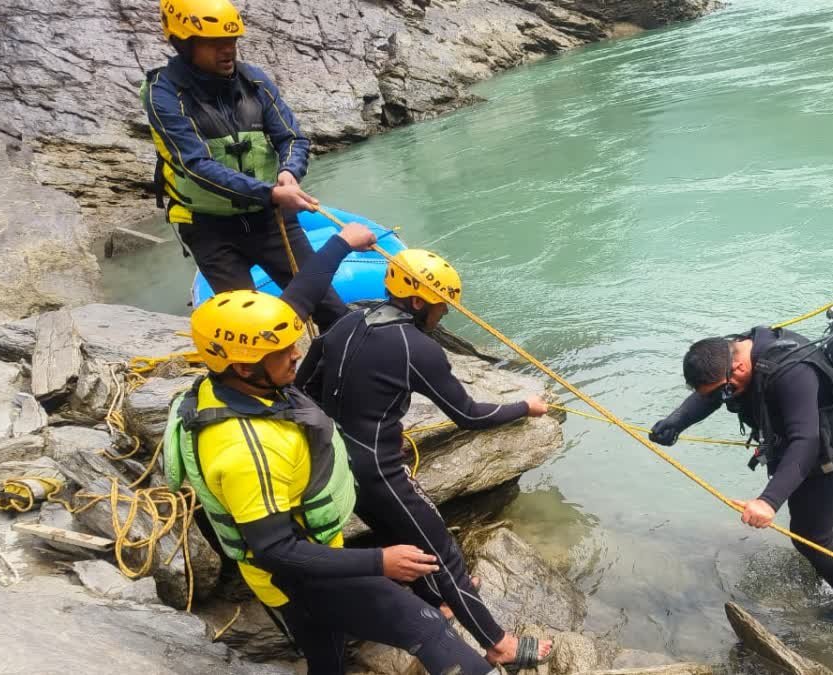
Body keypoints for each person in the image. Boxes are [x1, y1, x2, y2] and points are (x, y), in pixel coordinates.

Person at [164, 225, 496, 675]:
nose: (297, 355)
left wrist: (342, 243)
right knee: (428, 629)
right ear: (244, 364)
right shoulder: (243, 450)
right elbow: (275, 551)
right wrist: (381, 560)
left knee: (327, 651)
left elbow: (303, 292)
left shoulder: (247, 379)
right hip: (298, 578)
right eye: (284, 353)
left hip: (315, 558)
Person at [296, 249, 554, 671]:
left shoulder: (345, 321)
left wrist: (355, 425)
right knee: (442, 552)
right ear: (418, 301)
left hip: (333, 457)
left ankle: (438, 600)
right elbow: (469, 415)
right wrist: (524, 406)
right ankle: (499, 645)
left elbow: (304, 387)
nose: (443, 315)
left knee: (398, 532)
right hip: (376, 469)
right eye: (440, 306)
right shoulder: (418, 348)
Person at [140, 0, 348, 330]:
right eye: (215, 43)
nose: (228, 51)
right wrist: (271, 194)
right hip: (211, 229)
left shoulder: (255, 82)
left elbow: (292, 138)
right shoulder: (163, 94)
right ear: (184, 42)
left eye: (233, 40)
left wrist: (288, 174)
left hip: (270, 220)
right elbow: (196, 165)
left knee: (331, 310)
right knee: (246, 326)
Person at [648, 324, 833, 611]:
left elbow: (806, 440)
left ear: (740, 367)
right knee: (805, 522)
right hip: (802, 441)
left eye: (726, 391)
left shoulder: (791, 373)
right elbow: (713, 392)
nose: (725, 397)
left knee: (810, 535)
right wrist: (676, 422)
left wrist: (768, 502)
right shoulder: (733, 355)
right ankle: (829, 572)